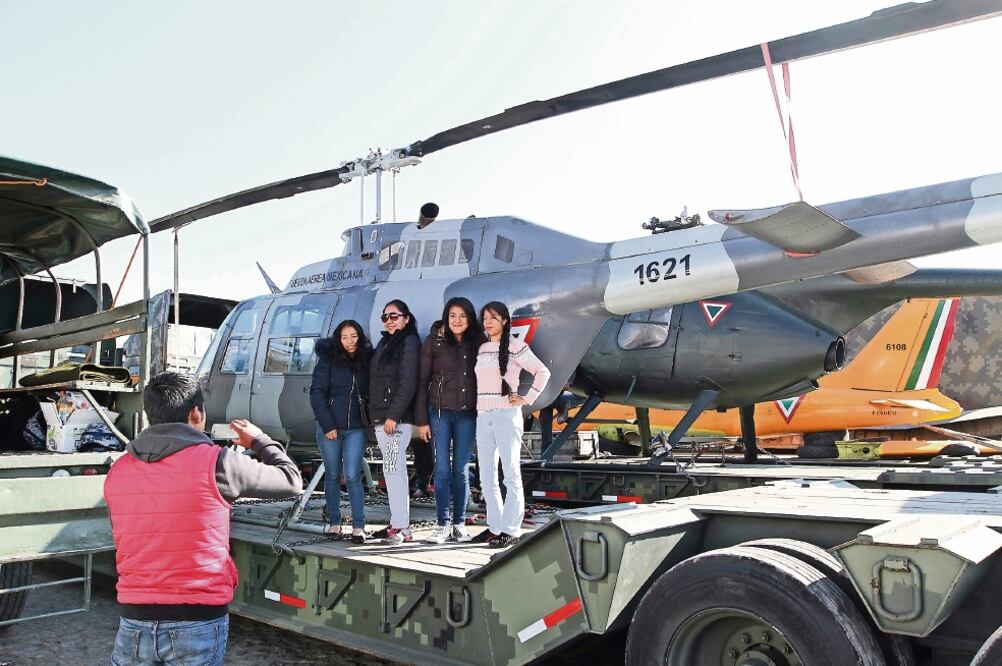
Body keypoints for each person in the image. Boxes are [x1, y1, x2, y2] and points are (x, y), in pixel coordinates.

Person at [104, 371, 302, 666]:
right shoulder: (219, 462)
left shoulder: (118, 470)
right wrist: (259, 440)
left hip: (133, 621)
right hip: (197, 618)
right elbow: (291, 480)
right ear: (197, 413)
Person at [475, 301, 551, 548]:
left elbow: (542, 371)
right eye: (485, 317)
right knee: (486, 477)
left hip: (506, 415)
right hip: (483, 416)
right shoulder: (482, 347)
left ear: (505, 321)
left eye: (494, 318)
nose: (488, 322)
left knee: (510, 473)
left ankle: (511, 529)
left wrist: (527, 398)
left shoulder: (517, 346)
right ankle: (495, 526)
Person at [415, 297, 486, 543]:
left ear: (470, 319)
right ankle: (442, 524)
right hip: (439, 413)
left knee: (461, 470)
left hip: (467, 414)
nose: (457, 320)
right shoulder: (433, 342)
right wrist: (422, 420)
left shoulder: (478, 342)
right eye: (453, 315)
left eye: (463, 316)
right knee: (442, 469)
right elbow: (422, 382)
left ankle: (459, 524)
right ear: (446, 316)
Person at [309, 319, 372, 544]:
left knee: (354, 475)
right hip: (331, 428)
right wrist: (328, 425)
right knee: (333, 475)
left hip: (356, 427)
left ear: (360, 336)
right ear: (338, 338)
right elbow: (317, 393)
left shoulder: (366, 359)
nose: (349, 341)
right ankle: (334, 522)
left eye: (354, 336)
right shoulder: (328, 360)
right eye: (345, 337)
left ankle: (358, 526)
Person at [369, 299, 421, 545]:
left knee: (393, 469)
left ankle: (401, 527)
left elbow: (408, 381)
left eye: (394, 316)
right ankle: (400, 524)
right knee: (392, 470)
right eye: (385, 317)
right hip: (384, 418)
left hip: (395, 421)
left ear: (406, 318)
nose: (389, 321)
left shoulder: (409, 342)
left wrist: (393, 416)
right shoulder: (386, 343)